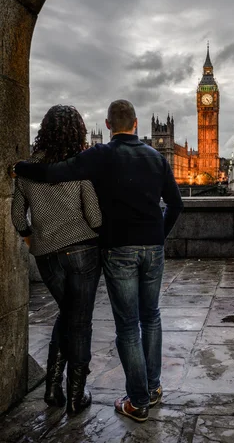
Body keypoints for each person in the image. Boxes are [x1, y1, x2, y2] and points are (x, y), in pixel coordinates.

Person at [14, 99, 184, 423]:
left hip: (117, 250)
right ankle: (153, 387)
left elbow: (54, 173)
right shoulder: (156, 157)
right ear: (136, 124)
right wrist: (159, 236)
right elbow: (176, 205)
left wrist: (21, 168)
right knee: (151, 318)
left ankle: (138, 401)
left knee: (127, 327)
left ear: (107, 126)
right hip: (153, 248)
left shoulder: (100, 155)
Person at [11, 105, 102, 415]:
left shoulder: (26, 168)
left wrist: (33, 239)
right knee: (80, 322)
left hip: (47, 256)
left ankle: (52, 387)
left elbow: (17, 216)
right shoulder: (79, 165)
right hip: (83, 252)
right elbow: (93, 215)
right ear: (77, 131)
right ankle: (76, 395)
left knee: (66, 314)